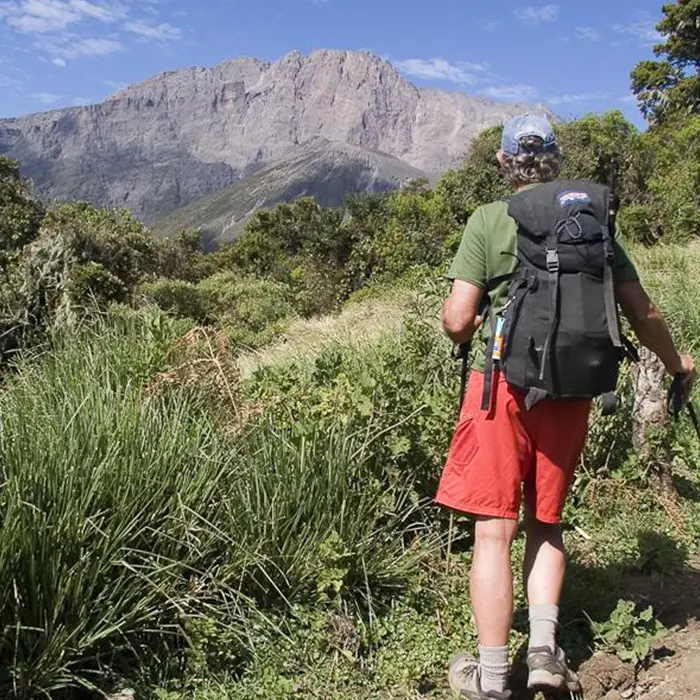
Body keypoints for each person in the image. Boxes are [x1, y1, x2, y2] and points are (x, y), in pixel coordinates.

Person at [436, 113, 696, 700]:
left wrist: (471, 326)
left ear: (504, 162)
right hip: (571, 389)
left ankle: (495, 674)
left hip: (501, 387)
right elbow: (640, 309)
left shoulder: (489, 219)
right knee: (545, 523)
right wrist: (678, 365)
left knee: (492, 534)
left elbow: (456, 320)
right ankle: (547, 657)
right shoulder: (590, 221)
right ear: (555, 160)